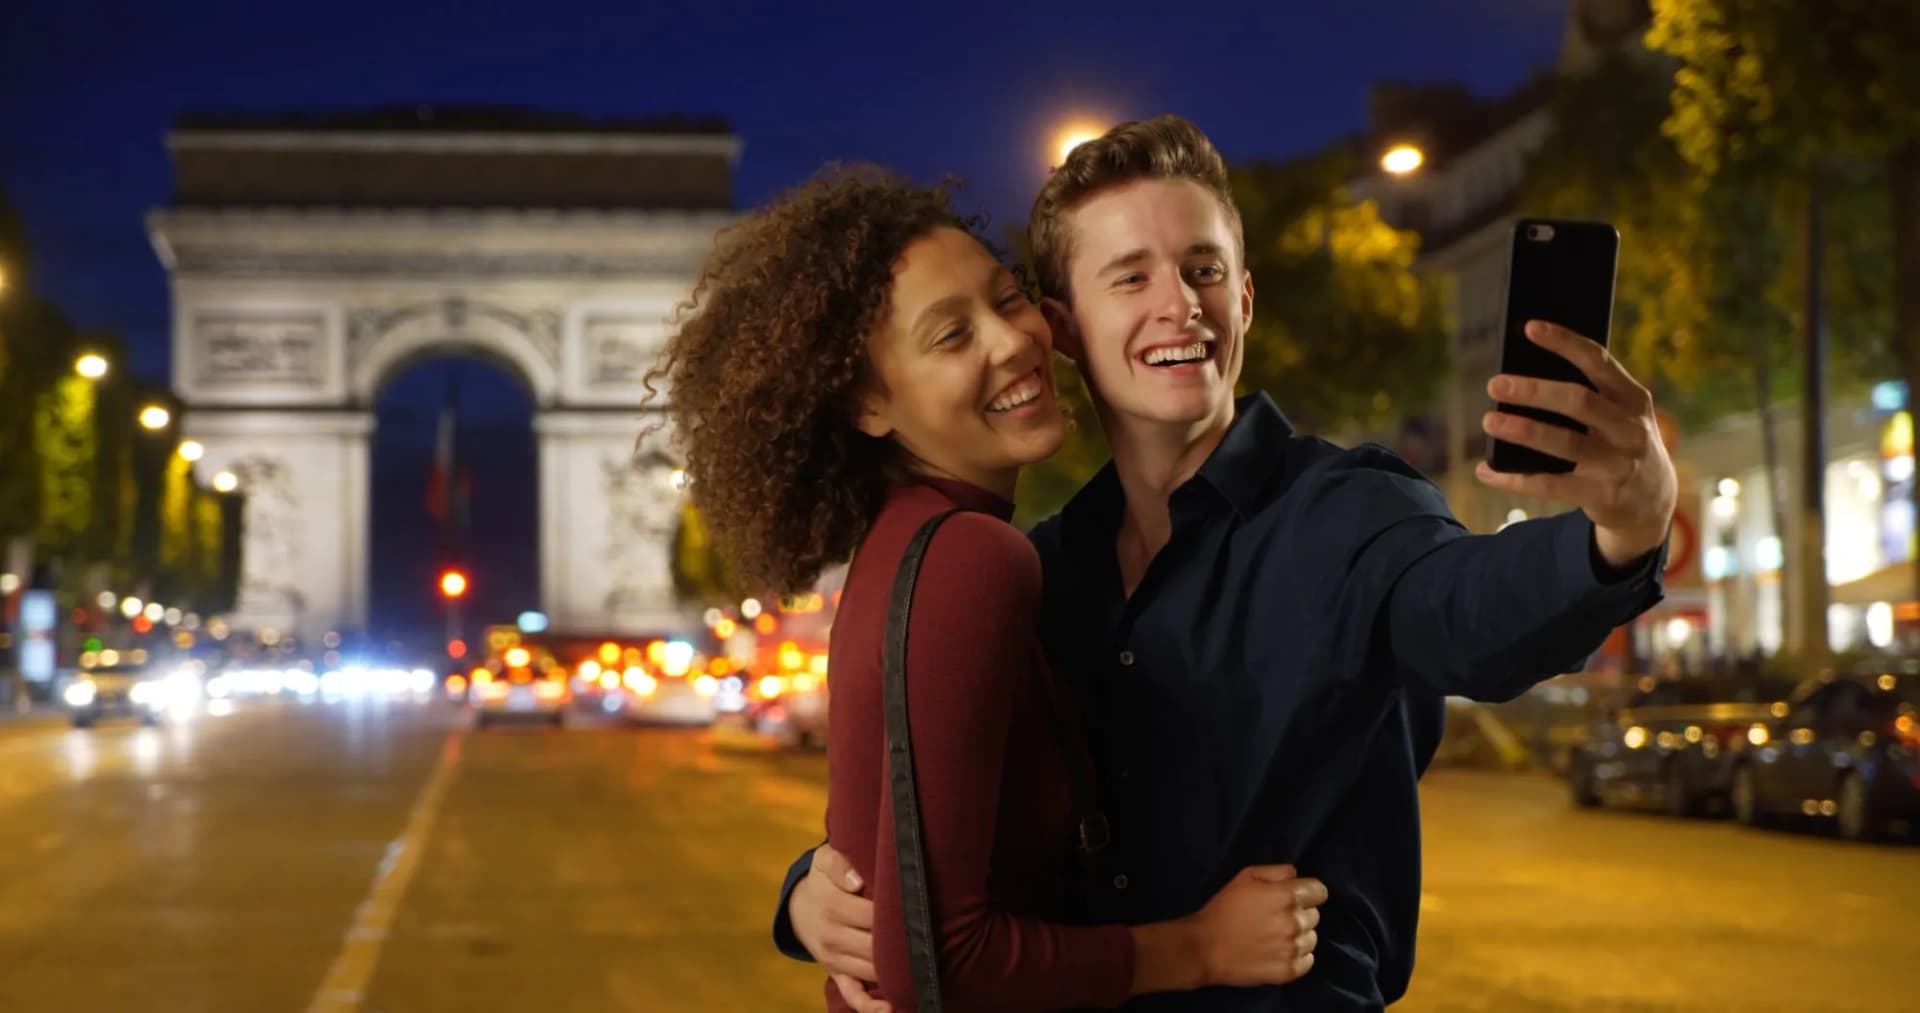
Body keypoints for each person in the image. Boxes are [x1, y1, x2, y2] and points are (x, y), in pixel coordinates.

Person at [776, 116, 1676, 1011]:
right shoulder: (1040, 567)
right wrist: (812, 889)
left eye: (1203, 270)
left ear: (1243, 299)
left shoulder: (1356, 513)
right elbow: (943, 800)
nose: (1181, 303)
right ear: (1063, 326)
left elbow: (1475, 615)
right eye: (1131, 277)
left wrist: (1620, 533)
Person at [653, 165, 1330, 1012]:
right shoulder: (975, 557)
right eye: (950, 336)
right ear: (866, 402)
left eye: (1007, 299)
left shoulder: (907, 545)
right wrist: (1198, 947)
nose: (1013, 342)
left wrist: (804, 893)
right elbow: (936, 962)